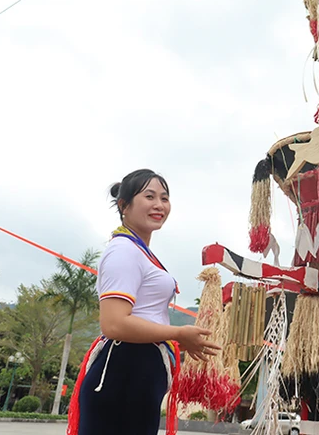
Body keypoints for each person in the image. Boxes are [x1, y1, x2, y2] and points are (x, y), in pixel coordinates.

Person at [67, 169, 220, 435]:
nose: (159, 205)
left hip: (137, 373)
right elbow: (114, 324)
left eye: (164, 197)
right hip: (122, 372)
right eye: (149, 196)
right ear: (123, 205)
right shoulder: (123, 251)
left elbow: (144, 317)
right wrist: (177, 333)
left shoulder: (138, 251)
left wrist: (177, 341)